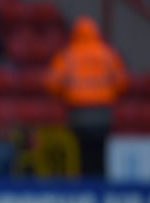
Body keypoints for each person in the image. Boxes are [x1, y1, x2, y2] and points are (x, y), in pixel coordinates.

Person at [44, 16, 129, 176]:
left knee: (81, 156)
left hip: (78, 114)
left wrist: (67, 93)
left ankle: (85, 187)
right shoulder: (108, 55)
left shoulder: (67, 56)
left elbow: (52, 84)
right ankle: (101, 187)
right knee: (100, 155)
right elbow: (122, 83)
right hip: (103, 114)